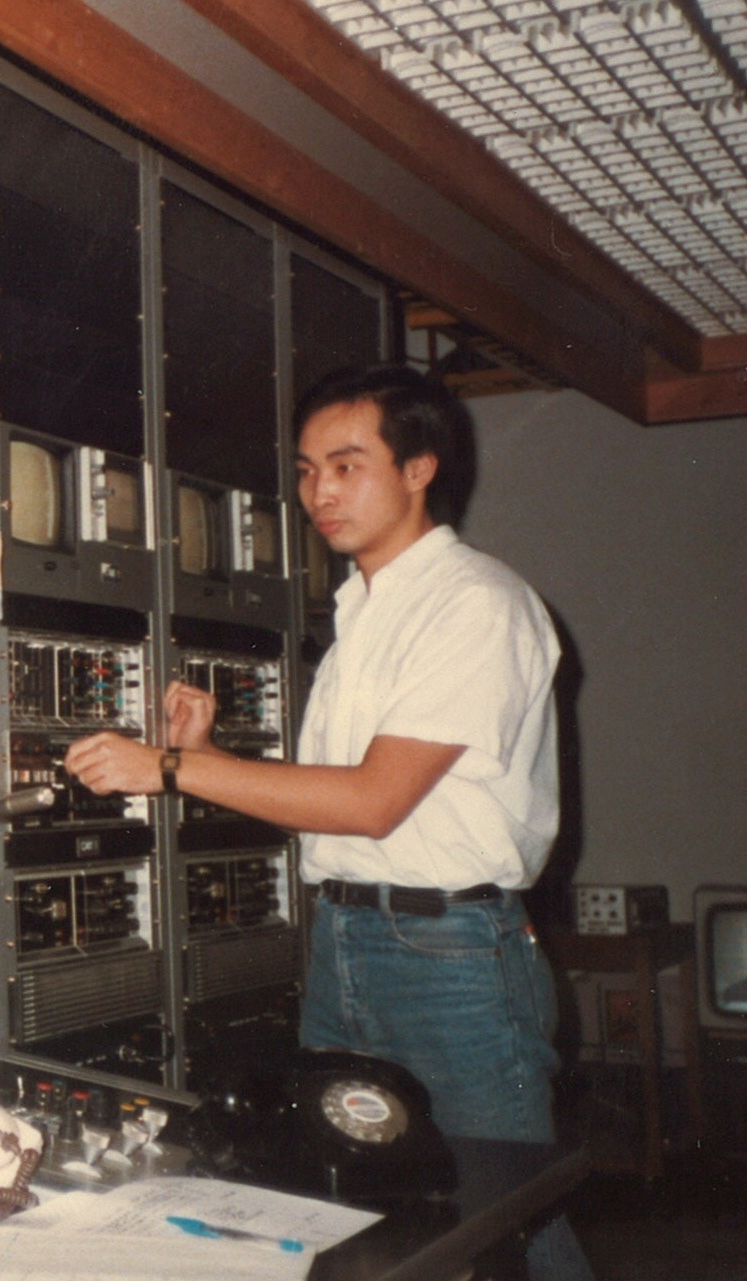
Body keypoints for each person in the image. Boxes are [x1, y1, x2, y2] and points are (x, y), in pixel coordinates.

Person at [64, 364, 592, 1280]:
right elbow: (340, 813)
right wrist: (206, 755)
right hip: (347, 938)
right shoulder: (362, 612)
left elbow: (373, 799)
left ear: (419, 468)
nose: (318, 493)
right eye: (307, 471)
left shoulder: (474, 603)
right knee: (360, 1208)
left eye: (346, 466)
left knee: (507, 1220)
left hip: (451, 956)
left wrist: (176, 767)